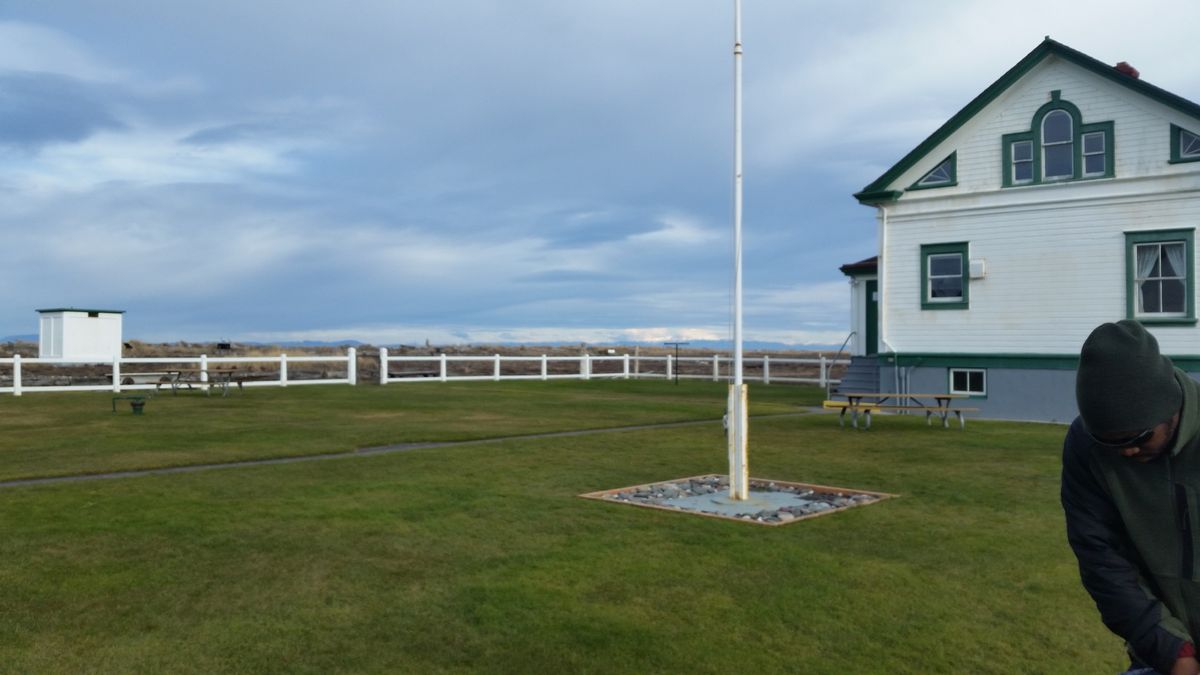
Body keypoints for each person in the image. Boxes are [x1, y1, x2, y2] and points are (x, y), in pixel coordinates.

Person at [1062, 320, 1200, 675]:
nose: (1126, 452)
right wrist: (1173, 650)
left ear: (1171, 408)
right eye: (1111, 442)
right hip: (1165, 651)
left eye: (1137, 437)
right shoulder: (1085, 447)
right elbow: (1101, 557)